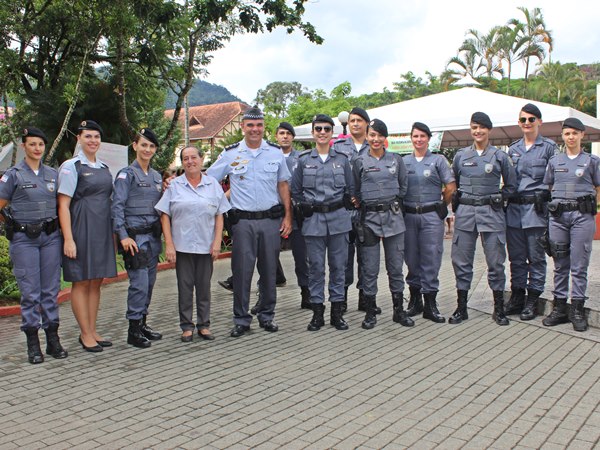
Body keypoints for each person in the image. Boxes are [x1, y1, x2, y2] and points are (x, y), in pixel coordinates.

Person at [207, 107, 292, 338]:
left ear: (264, 128)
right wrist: (219, 207)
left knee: (269, 271)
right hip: (242, 223)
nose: (255, 129)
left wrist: (288, 216)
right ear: (243, 127)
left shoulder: (275, 153)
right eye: (251, 125)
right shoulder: (230, 154)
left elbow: (283, 185)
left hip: (270, 221)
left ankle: (267, 316)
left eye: (259, 125)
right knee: (242, 272)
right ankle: (241, 319)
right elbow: (210, 180)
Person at [0, 127, 67, 364]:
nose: (37, 148)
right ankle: (32, 344)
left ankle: (53, 340)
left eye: (40, 144)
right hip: (24, 240)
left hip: (50, 238)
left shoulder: (52, 174)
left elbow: (62, 206)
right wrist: (12, 224)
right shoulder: (13, 175)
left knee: (50, 290)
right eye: (32, 144)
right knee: (30, 293)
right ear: (23, 146)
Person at [156, 146, 230, 341]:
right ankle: (186, 326)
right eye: (185, 158)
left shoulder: (212, 184)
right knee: (185, 287)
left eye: (193, 157)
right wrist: (169, 245)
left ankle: (204, 325)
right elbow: (165, 215)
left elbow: (219, 215)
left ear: (201, 159)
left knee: (204, 287)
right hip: (182, 246)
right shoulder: (174, 186)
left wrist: (217, 242)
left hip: (206, 246)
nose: (190, 161)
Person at [449, 112, 517, 326]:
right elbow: (454, 183)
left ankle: (498, 309)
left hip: (491, 213)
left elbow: (511, 185)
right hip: (467, 213)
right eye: (474, 127)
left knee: (496, 262)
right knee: (461, 261)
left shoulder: (500, 157)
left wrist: (500, 198)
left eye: (482, 127)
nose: (478, 131)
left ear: (489, 130)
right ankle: (461, 307)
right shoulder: (461, 156)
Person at [58, 120, 117, 352]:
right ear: (78, 139)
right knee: (81, 280)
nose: (93, 141)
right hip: (81, 227)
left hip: (102, 229)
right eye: (88, 136)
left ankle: (92, 329)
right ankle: (84, 333)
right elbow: (63, 205)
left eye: (96, 137)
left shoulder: (104, 168)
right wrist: (68, 238)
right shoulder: (71, 166)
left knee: (96, 281)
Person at [292, 114, 354, 331]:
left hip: (338, 220)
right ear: (313, 133)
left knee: (338, 267)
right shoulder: (303, 161)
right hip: (314, 221)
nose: (322, 132)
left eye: (326, 129)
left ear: (332, 133)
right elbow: (295, 191)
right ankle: (317, 312)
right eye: (318, 128)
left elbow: (351, 189)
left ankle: (337, 312)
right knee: (316, 268)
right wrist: (303, 205)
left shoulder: (342, 160)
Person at [541, 118, 600, 332]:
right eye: (567, 134)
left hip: (582, 217)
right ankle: (559, 308)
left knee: (579, 264)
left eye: (575, 133)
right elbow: (549, 186)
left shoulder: (592, 161)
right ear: (563, 137)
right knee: (559, 263)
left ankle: (576, 309)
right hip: (558, 217)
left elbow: (598, 187)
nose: (571, 137)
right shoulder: (555, 161)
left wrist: (591, 205)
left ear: (582, 135)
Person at [353, 119, 411, 329]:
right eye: (372, 135)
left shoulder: (396, 160)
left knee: (395, 267)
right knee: (369, 268)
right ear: (367, 136)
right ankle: (370, 313)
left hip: (394, 219)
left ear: (385, 138)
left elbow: (404, 187)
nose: (375, 139)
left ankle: (398, 311)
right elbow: (355, 189)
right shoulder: (359, 161)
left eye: (379, 135)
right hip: (368, 221)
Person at [111, 128, 164, 349]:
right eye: (143, 145)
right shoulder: (126, 175)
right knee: (139, 284)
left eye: (151, 146)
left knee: (149, 283)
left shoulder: (157, 176)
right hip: (134, 239)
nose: (147, 149)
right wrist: (122, 236)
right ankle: (133, 329)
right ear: (135, 146)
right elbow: (117, 207)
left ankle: (142, 323)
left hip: (152, 238)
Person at [505, 104, 556, 320]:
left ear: (539, 122)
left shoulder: (549, 148)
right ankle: (517, 296)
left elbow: (555, 180)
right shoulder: (513, 149)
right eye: (523, 120)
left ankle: (533, 299)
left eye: (531, 119)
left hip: (536, 211)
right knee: (516, 258)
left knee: (536, 258)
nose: (527, 123)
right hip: (515, 211)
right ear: (519, 123)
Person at [403, 122, 456, 323]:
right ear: (411, 138)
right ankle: (415, 301)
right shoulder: (404, 161)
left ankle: (430, 304)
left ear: (428, 139)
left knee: (431, 258)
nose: (419, 140)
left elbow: (450, 185)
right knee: (411, 258)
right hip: (408, 216)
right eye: (415, 136)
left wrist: (444, 204)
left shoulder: (438, 160)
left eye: (422, 136)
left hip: (431, 215)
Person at [332, 107, 370, 313]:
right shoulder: (338, 147)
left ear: (367, 124)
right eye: (352, 120)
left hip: (366, 212)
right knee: (343, 257)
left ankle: (365, 297)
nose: (355, 123)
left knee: (366, 257)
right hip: (344, 211)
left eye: (359, 120)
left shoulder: (373, 146)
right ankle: (342, 297)